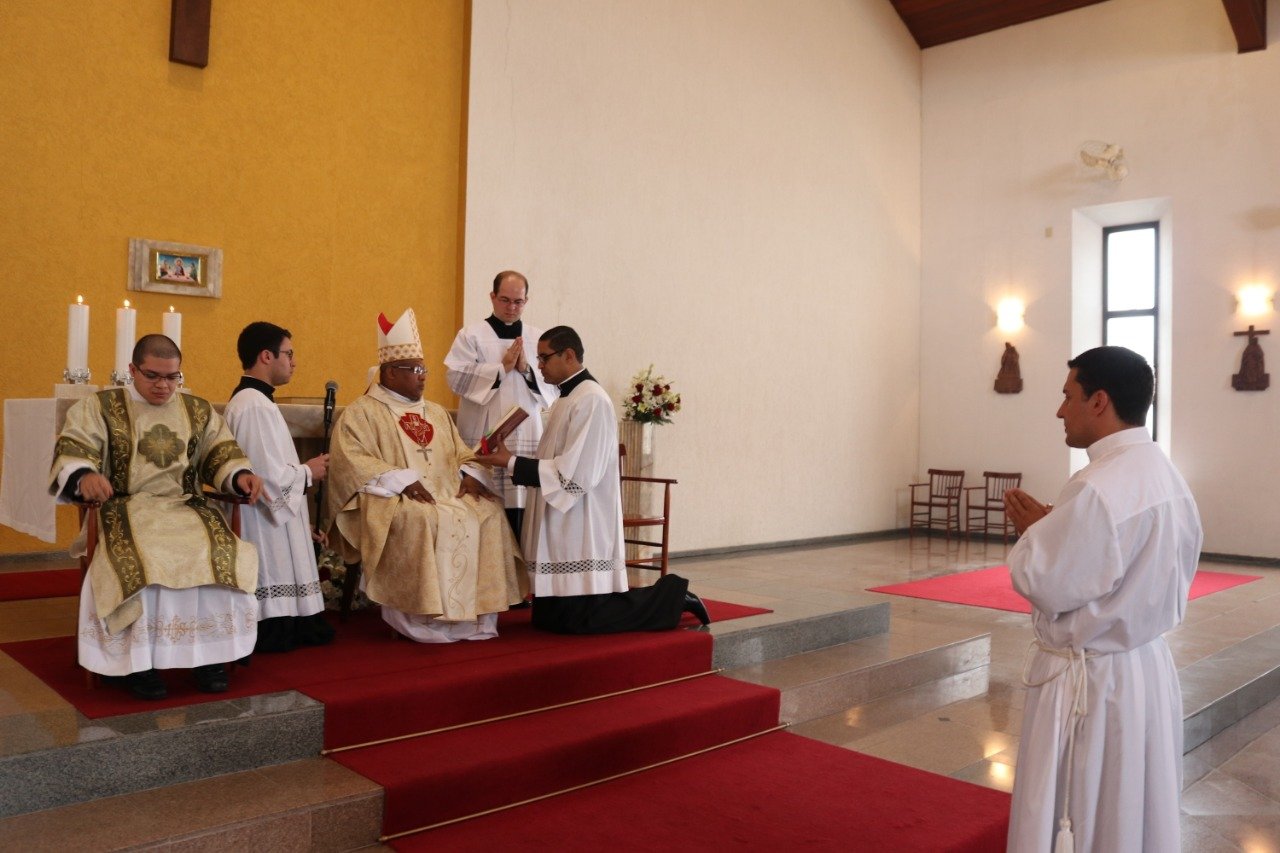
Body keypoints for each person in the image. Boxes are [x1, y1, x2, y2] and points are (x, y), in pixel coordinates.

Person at [1003, 346, 1202, 853]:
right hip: (1142, 669)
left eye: (1067, 395)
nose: (1060, 410)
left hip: (1092, 681)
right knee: (1131, 806)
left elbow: (1045, 582)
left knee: (1084, 803)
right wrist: (1057, 528)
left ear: (1099, 401)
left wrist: (1034, 536)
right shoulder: (1165, 474)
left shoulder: (1097, 487)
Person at [49, 334, 264, 700]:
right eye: (153, 376)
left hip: (186, 507)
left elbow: (220, 453)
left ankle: (209, 655)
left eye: (172, 377)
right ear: (132, 370)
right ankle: (137, 663)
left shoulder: (197, 411)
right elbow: (75, 446)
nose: (164, 385)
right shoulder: (100, 407)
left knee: (219, 552)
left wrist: (238, 475)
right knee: (143, 557)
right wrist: (84, 476)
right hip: (124, 507)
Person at [475, 326, 709, 633]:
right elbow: (553, 459)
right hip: (562, 519)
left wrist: (511, 462)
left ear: (569, 355)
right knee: (549, 619)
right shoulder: (566, 398)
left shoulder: (592, 399)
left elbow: (574, 474)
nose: (539, 365)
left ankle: (674, 597)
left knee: (581, 620)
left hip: (581, 522)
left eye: (544, 358)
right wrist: (510, 459)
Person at [325, 308, 527, 642]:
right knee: (421, 519)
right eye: (415, 370)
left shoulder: (435, 412)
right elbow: (351, 461)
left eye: (424, 369)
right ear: (391, 372)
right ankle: (419, 617)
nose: (423, 377)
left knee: (489, 512)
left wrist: (470, 473)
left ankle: (475, 615)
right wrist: (402, 480)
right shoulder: (362, 412)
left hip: (449, 493)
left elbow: (462, 453)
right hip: (392, 498)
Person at [224, 322, 334, 653]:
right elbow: (266, 475)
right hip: (259, 522)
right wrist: (308, 471)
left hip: (269, 518)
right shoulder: (253, 405)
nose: (293, 361)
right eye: (288, 353)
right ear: (266, 356)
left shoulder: (258, 401)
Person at [445, 270, 558, 537]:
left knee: (524, 518)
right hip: (482, 432)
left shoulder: (538, 338)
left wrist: (527, 371)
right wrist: (500, 369)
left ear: (526, 301)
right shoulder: (471, 335)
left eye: (518, 302)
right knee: (485, 515)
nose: (511, 307)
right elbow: (455, 377)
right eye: (505, 300)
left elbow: (553, 385)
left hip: (526, 436)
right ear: (492, 297)